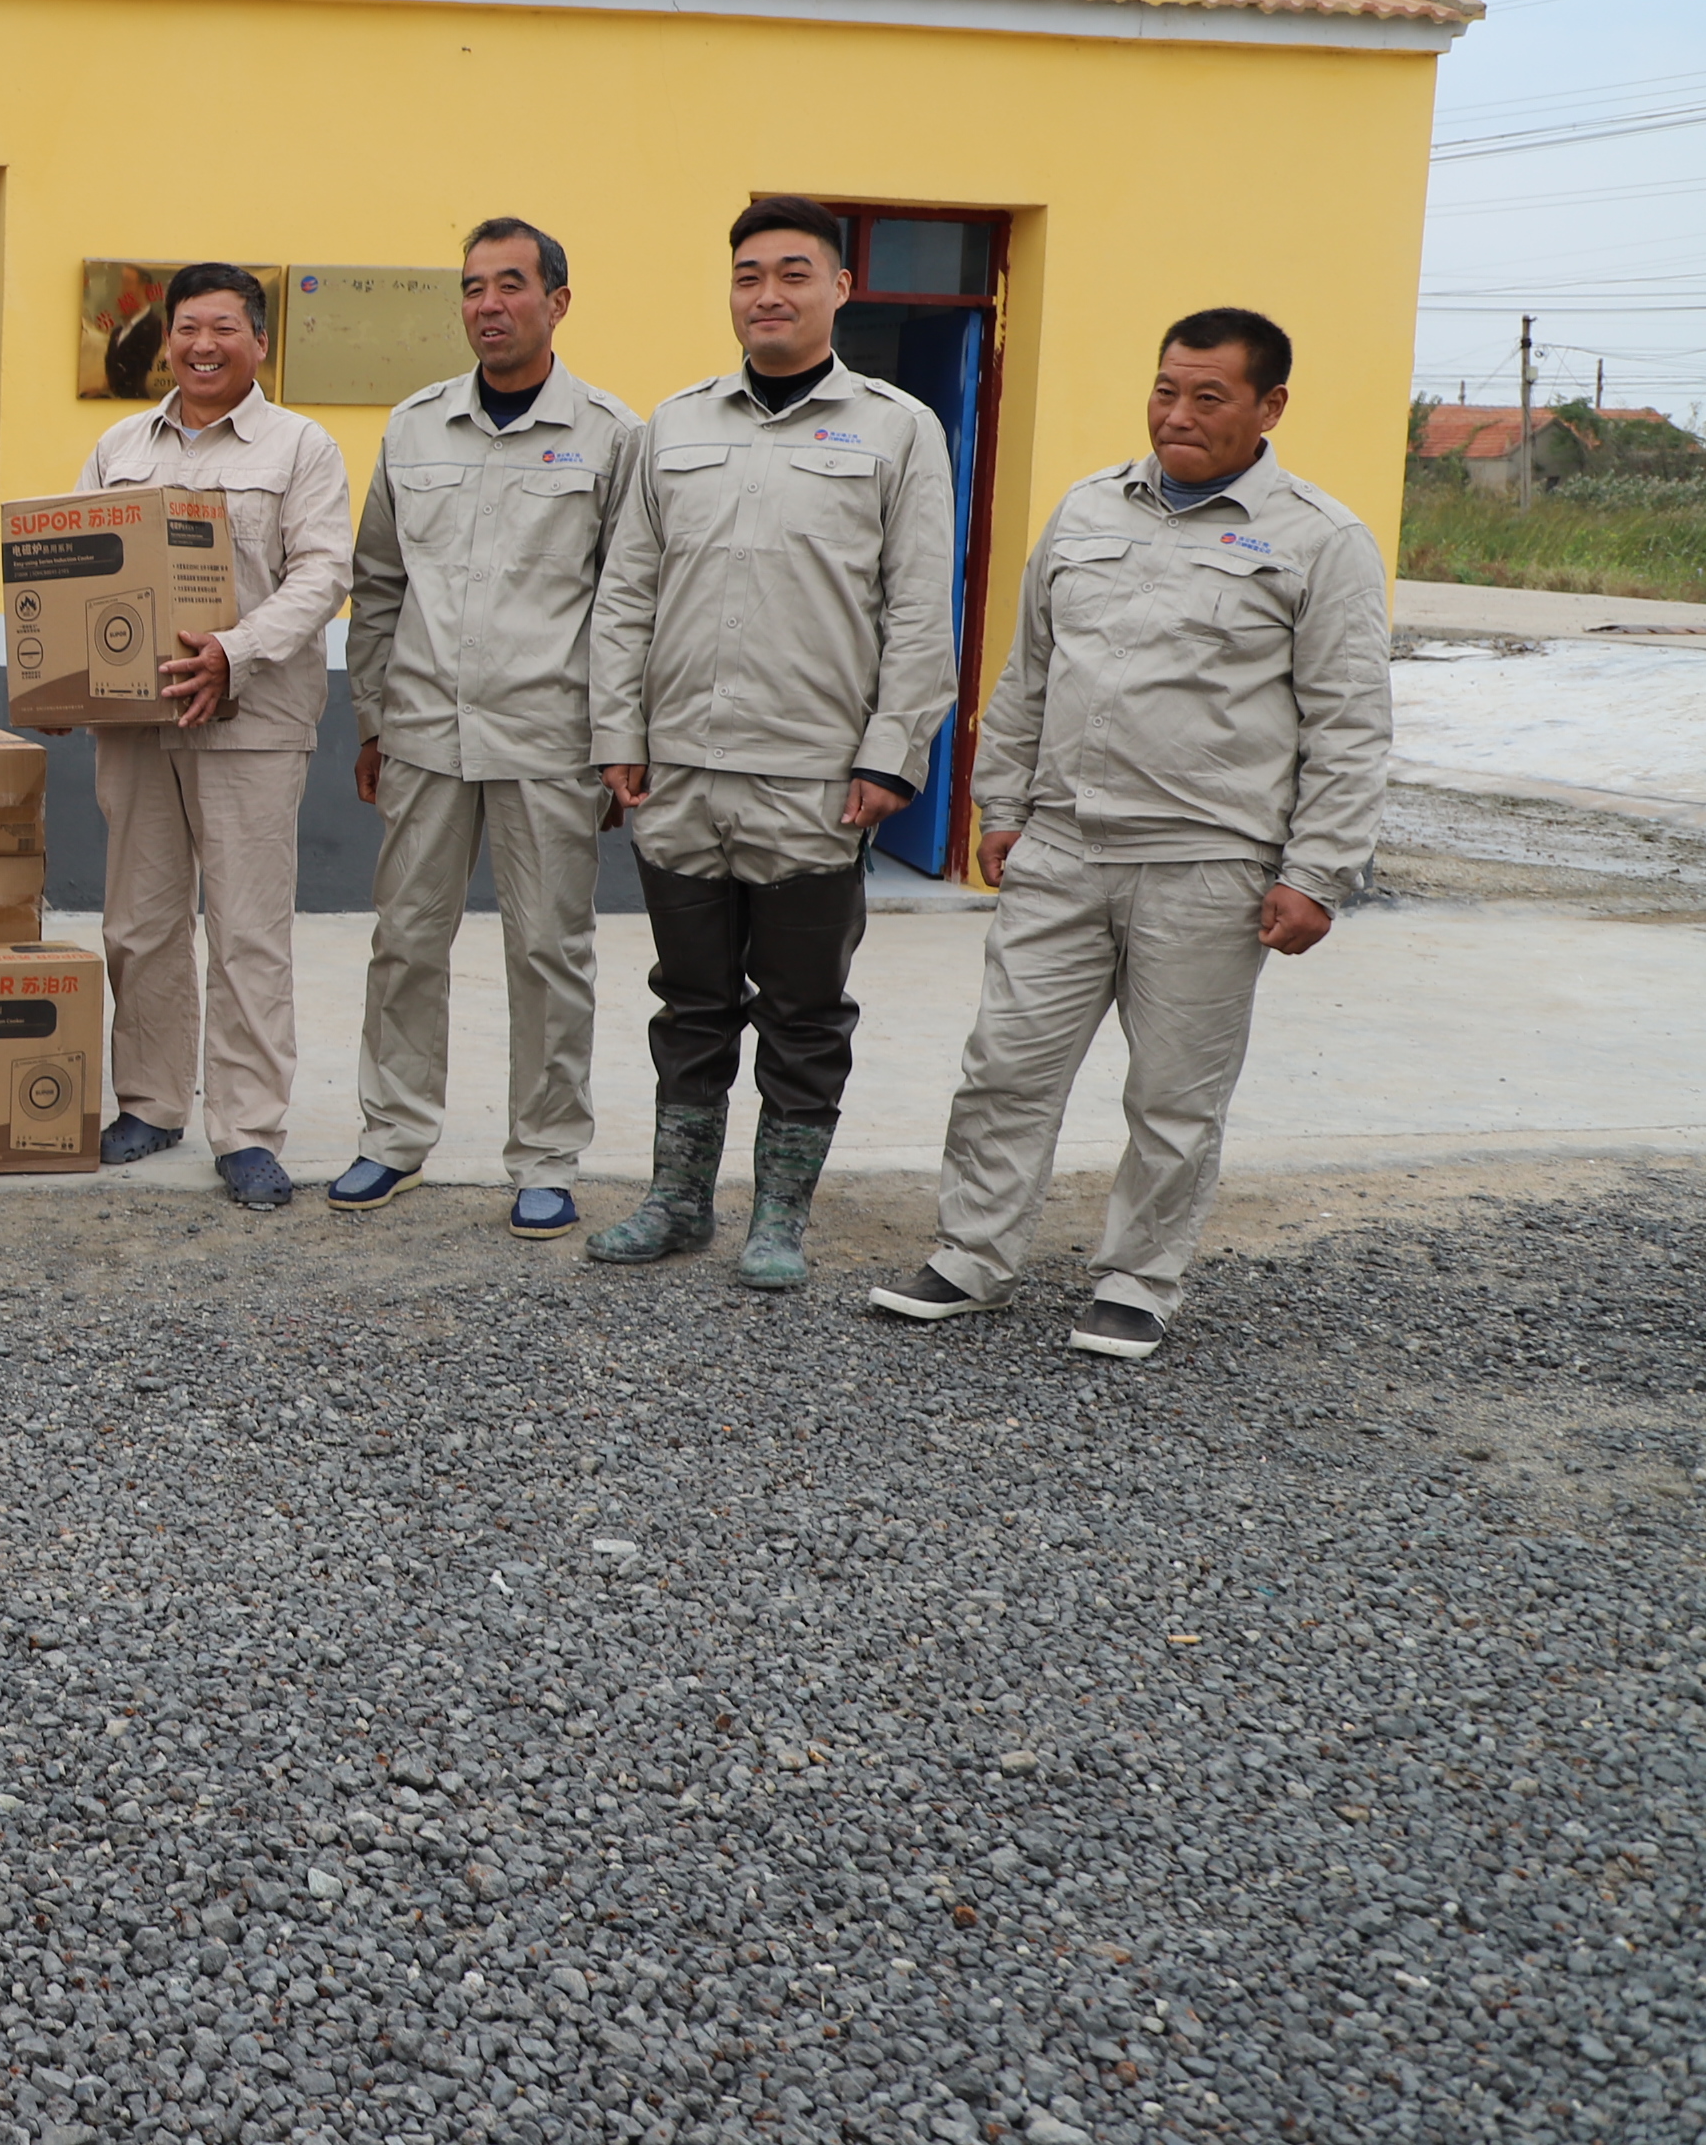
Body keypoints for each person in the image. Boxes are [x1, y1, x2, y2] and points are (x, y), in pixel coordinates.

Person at [871, 310, 1388, 1362]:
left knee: (1173, 1093)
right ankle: (972, 1255)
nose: (1176, 414)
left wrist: (1317, 873)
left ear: (1269, 407)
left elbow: (1348, 721)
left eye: (1208, 396)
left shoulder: (1319, 540)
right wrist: (1002, 808)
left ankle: (1137, 1278)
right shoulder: (1084, 509)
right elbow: (1028, 674)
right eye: (1165, 389)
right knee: (1004, 1067)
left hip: (1207, 865)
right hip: (1062, 851)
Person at [587, 193, 956, 1290]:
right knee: (688, 1001)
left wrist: (891, 754)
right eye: (748, 274)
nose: (768, 294)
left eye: (793, 273)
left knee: (803, 1012)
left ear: (839, 288)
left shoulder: (896, 429)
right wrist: (617, 733)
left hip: (813, 780)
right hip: (681, 773)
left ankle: (780, 1217)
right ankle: (676, 1201)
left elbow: (916, 607)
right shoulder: (673, 426)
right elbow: (627, 594)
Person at [327, 217, 641, 1237]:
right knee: (404, 943)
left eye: (510, 284)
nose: (488, 304)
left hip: (549, 739)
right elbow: (376, 586)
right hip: (422, 732)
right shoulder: (414, 426)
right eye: (472, 287)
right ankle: (392, 1137)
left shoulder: (611, 435)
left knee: (548, 953)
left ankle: (545, 1155)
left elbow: (629, 601)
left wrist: (618, 741)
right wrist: (372, 717)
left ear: (557, 301)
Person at [67, 263, 353, 1210]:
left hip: (252, 720)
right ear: (168, 339)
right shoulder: (118, 445)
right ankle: (150, 1104)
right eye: (188, 327)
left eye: (224, 328)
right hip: (138, 720)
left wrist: (236, 651)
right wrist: (60, 672)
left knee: (247, 934)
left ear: (259, 342)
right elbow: (74, 564)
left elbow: (323, 573)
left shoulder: (300, 446)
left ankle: (249, 1130)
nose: (203, 345)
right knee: (140, 924)